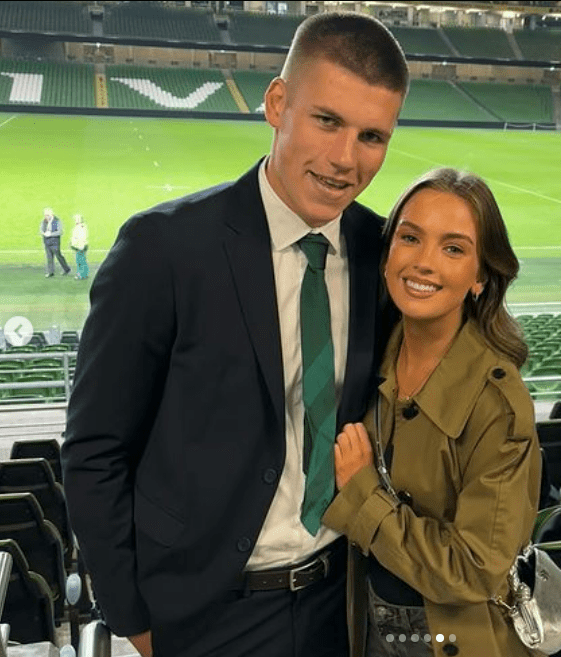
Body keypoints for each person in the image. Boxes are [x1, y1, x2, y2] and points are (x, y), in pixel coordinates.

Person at [62, 12, 408, 657]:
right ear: (277, 104)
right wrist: (131, 618)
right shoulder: (162, 249)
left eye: (372, 136)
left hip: (342, 600)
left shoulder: (378, 249)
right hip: (203, 615)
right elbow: (94, 449)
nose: (344, 160)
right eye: (326, 120)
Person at [323, 168, 542, 657]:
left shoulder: (499, 406)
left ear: (481, 277)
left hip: (450, 639)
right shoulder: (370, 353)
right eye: (410, 238)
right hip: (365, 620)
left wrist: (363, 495)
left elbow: (473, 569)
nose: (423, 263)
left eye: (453, 248)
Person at [40, 207, 71, 277]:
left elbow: (59, 232)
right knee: (49, 257)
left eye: (47, 215)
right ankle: (50, 272)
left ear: (51, 214)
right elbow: (41, 229)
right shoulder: (44, 221)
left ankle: (66, 268)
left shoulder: (57, 221)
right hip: (47, 242)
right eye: (45, 215)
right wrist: (44, 233)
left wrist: (50, 234)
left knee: (58, 256)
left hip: (55, 242)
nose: (46, 217)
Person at [70, 214, 89, 280]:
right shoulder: (82, 226)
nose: (75, 220)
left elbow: (80, 238)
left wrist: (76, 245)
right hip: (81, 246)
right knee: (82, 260)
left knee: (80, 261)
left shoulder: (80, 227)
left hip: (80, 247)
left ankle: (81, 274)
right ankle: (84, 274)